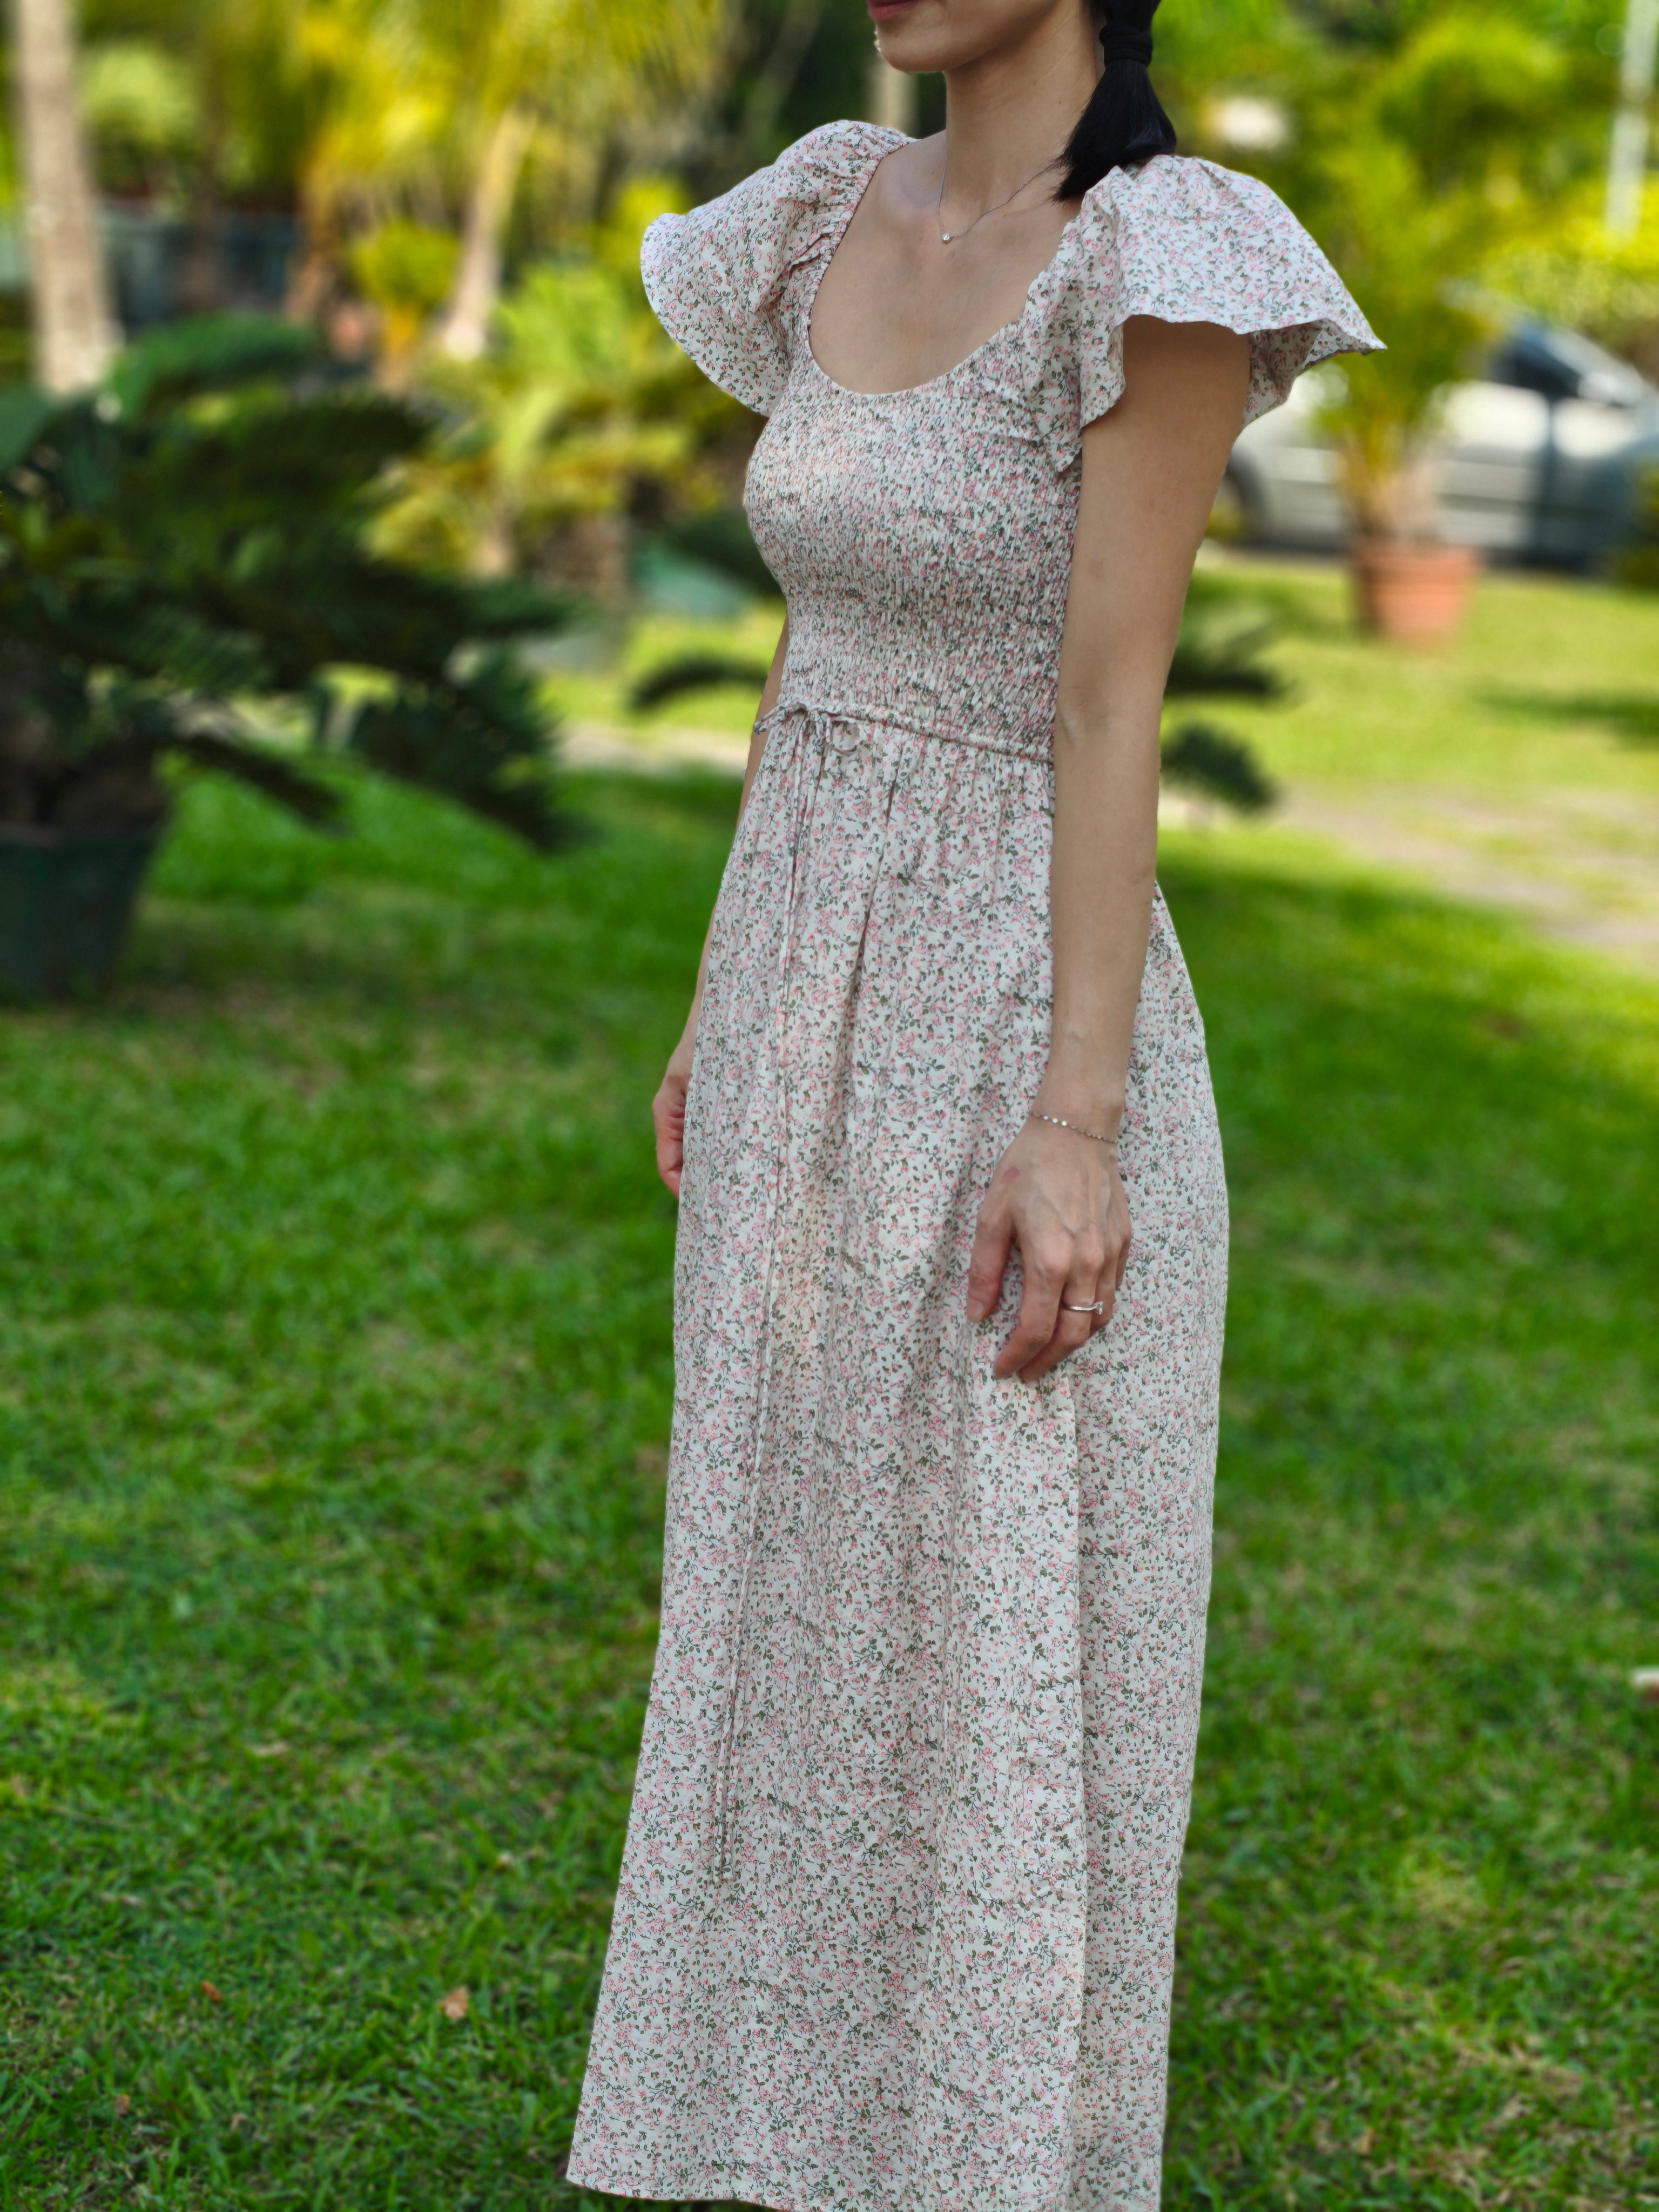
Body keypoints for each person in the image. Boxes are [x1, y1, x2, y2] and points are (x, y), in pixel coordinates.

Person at [568, 0, 1377, 2204]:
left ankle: (996, 2154)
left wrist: (1077, 1122)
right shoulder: (826, 204)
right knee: (784, 1586)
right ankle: (773, 2131)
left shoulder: (1160, 253)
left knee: (998, 1623)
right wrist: (716, 1002)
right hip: (798, 986)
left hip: (1018, 1007)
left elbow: (1112, 698)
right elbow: (808, 640)